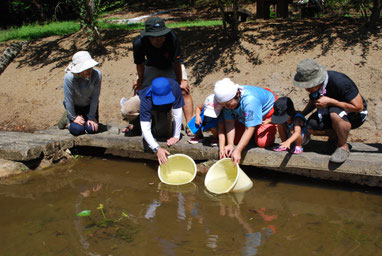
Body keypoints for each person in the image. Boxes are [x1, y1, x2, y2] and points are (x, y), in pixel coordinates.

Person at [293, 58, 368, 163]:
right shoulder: (316, 87)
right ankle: (335, 138)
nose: (306, 89)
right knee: (310, 126)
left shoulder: (341, 82)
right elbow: (313, 101)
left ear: (318, 80)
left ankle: (342, 146)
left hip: (355, 115)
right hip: (330, 110)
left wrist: (332, 102)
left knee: (334, 112)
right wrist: (302, 114)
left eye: (308, 85)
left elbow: (359, 107)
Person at [131, 17, 193, 134]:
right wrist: (140, 82)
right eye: (155, 37)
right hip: (151, 65)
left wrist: (180, 82)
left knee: (184, 90)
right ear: (148, 36)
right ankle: (136, 123)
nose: (159, 40)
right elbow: (140, 64)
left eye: (161, 36)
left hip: (171, 65)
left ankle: (190, 124)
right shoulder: (139, 43)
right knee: (139, 90)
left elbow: (176, 62)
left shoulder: (172, 38)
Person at [214, 78, 277, 164]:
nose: (227, 107)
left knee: (262, 142)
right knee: (235, 140)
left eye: (228, 104)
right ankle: (251, 133)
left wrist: (238, 150)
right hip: (244, 115)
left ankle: (267, 127)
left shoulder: (250, 101)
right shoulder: (227, 101)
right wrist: (230, 144)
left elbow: (250, 128)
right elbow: (229, 122)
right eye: (224, 105)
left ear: (237, 94)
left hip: (266, 115)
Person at [139, 77, 184, 165]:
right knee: (128, 109)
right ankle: (136, 122)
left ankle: (156, 122)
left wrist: (176, 136)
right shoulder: (146, 97)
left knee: (163, 133)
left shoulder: (174, 87)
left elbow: (177, 113)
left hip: (163, 110)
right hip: (143, 104)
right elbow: (145, 128)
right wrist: (157, 148)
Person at [63, 51, 101, 136]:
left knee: (92, 129)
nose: (89, 71)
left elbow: (95, 97)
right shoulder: (69, 78)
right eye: (85, 69)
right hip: (75, 106)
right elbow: (69, 100)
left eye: (90, 67)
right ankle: (68, 118)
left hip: (88, 105)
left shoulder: (97, 75)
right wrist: (74, 117)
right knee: (77, 129)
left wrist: (91, 117)